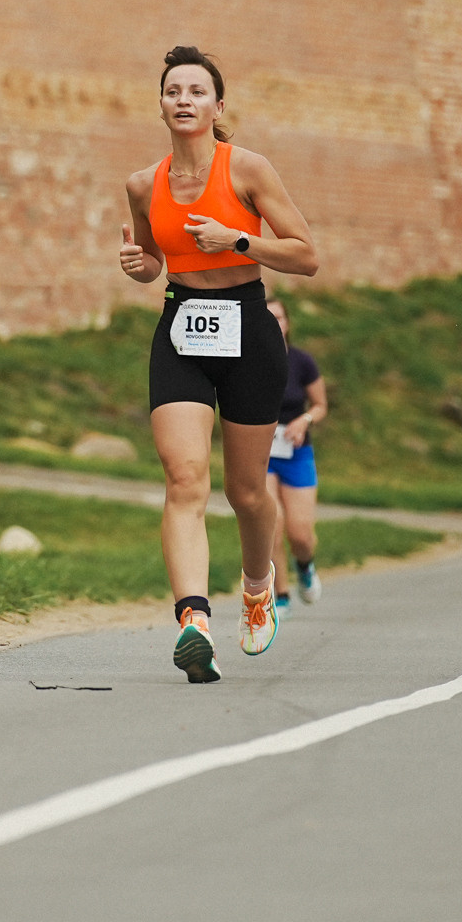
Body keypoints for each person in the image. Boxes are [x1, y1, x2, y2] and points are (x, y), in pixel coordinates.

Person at [118, 45, 321, 681]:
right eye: (173, 91)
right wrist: (141, 267)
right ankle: (194, 620)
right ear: (160, 104)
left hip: (249, 330)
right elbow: (152, 257)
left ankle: (258, 591)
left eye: (197, 91)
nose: (184, 100)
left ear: (217, 105)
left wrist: (238, 239)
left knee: (246, 491)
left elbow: (305, 254)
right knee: (184, 481)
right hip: (181, 327)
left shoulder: (247, 170)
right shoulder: (141, 185)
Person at [265, 297, 328, 608]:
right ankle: (282, 594)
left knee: (300, 534)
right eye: (268, 318)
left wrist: (303, 421)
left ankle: (305, 566)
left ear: (288, 323)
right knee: (271, 525)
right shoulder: (248, 360)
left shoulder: (302, 362)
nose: (274, 323)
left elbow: (320, 406)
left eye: (279, 317)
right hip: (261, 454)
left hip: (296, 452)